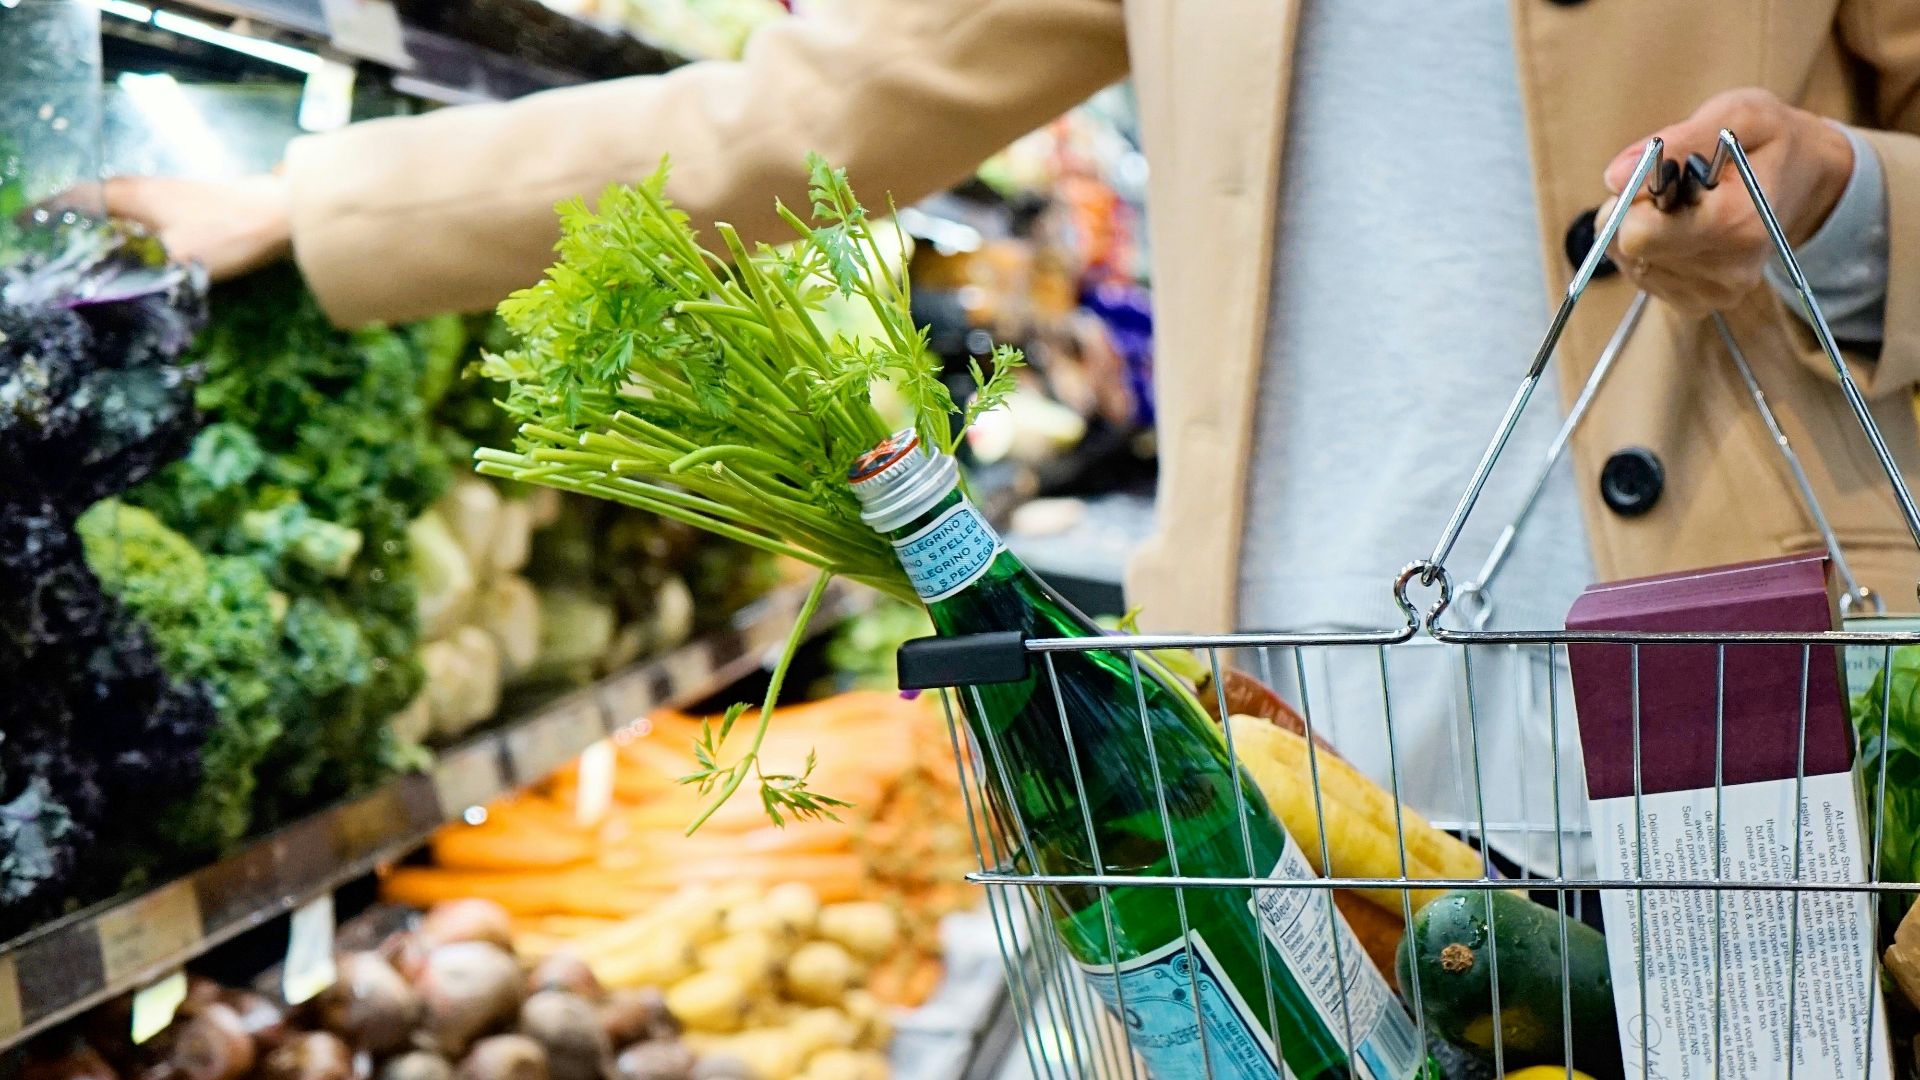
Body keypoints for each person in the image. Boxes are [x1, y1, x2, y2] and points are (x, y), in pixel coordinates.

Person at [103, 0, 1920, 867]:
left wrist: (1839, 214)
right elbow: (805, 114)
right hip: (1282, 725)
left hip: (1752, 698)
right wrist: (327, 205)